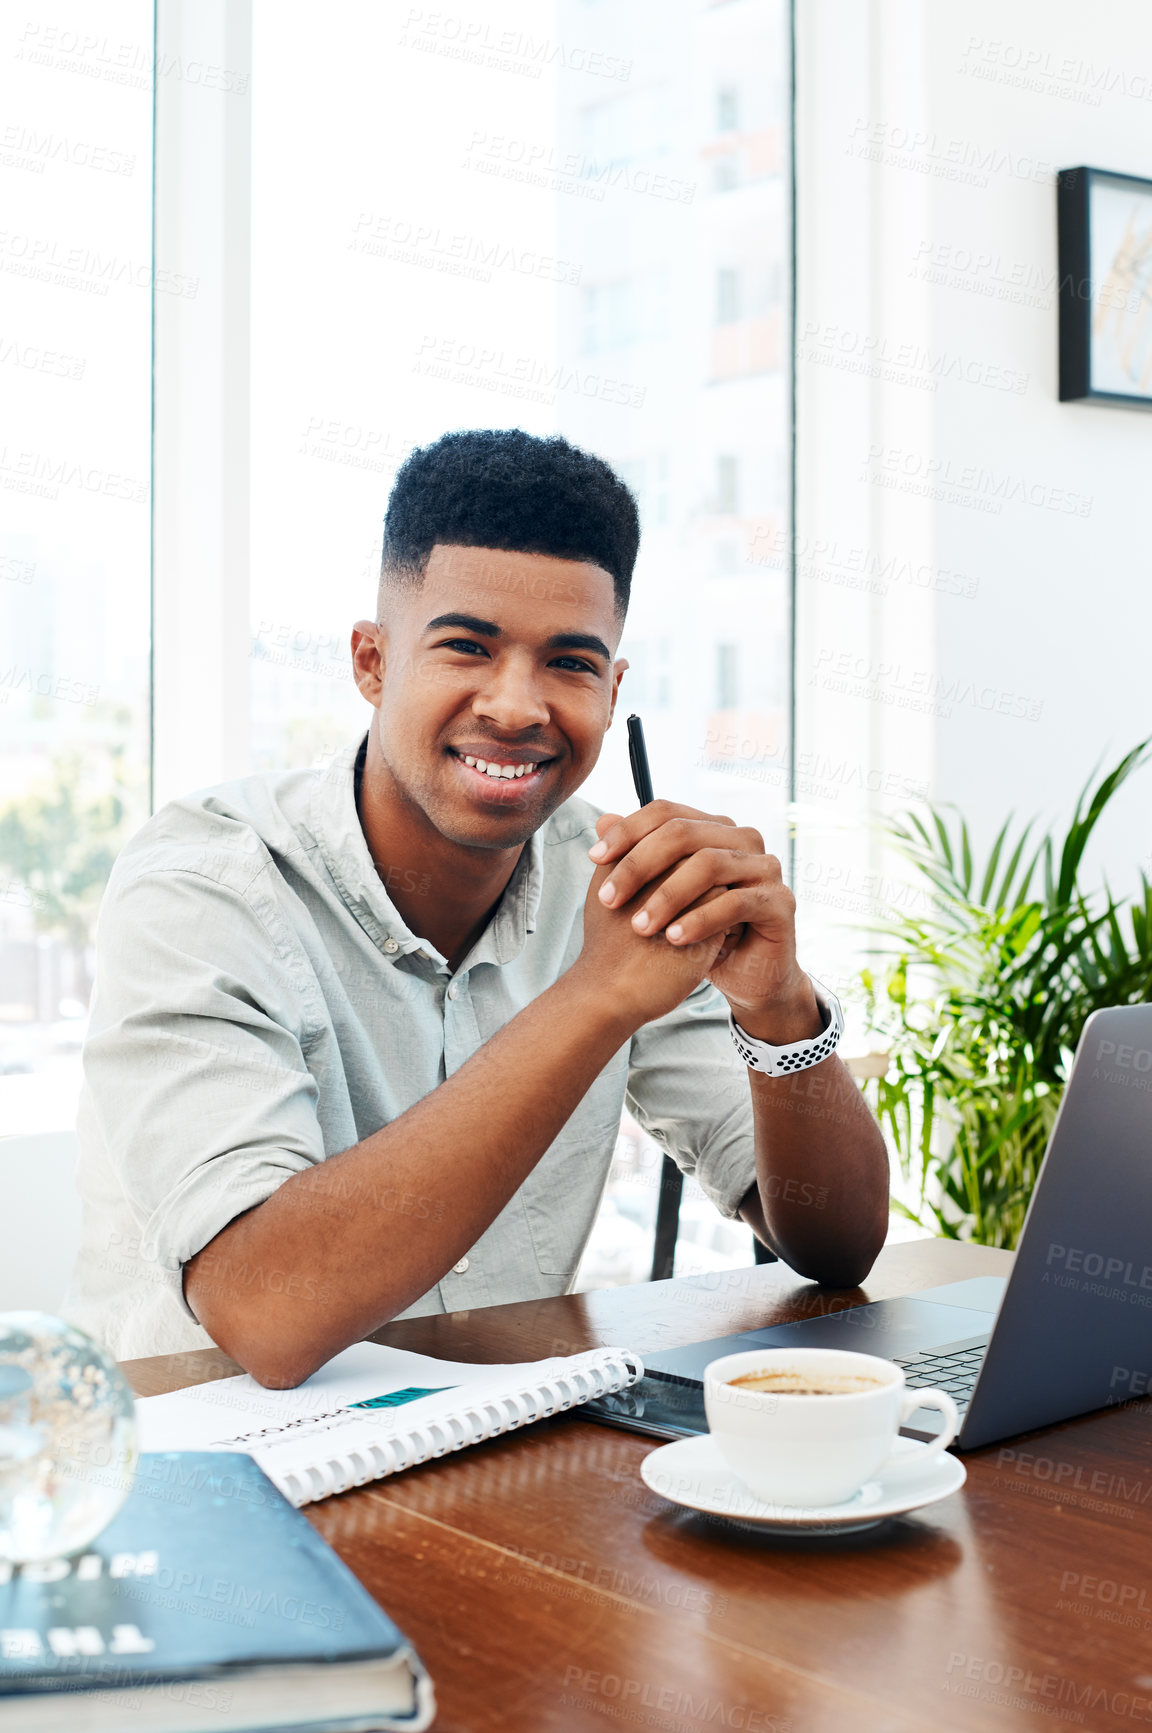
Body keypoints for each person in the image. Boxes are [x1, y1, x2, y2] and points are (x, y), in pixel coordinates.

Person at [65, 429, 889, 1385]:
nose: (516, 705)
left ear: (613, 690)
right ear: (373, 663)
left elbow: (839, 1244)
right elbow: (267, 1313)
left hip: (503, 1460)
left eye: (571, 663)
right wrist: (595, 998)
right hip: (219, 1480)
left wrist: (777, 1008)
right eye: (467, 647)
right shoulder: (204, 883)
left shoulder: (619, 883)